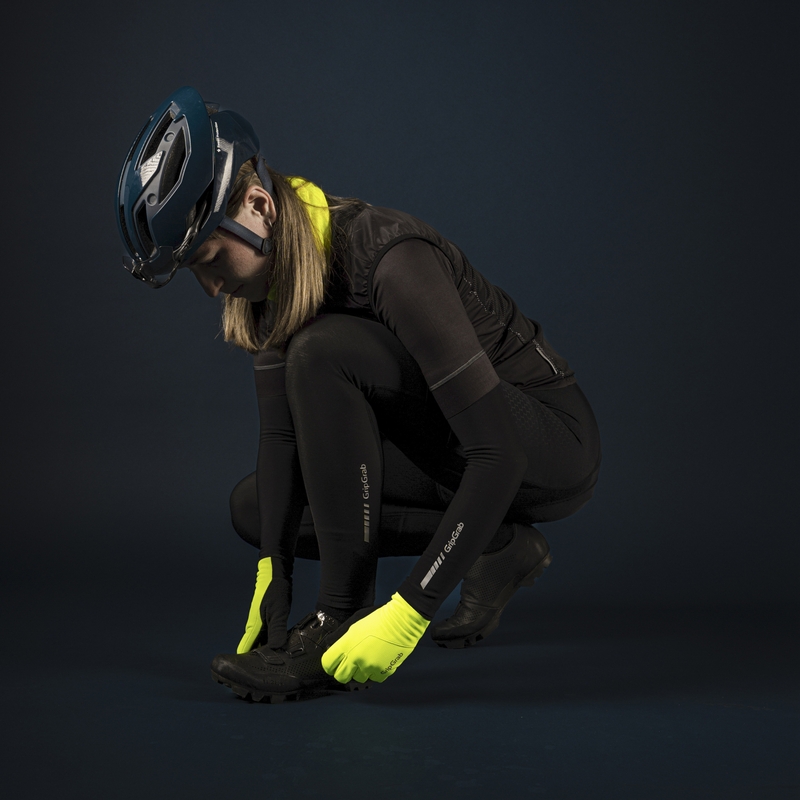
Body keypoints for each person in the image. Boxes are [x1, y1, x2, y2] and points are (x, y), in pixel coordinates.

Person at [116, 86, 601, 703]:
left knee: (323, 349)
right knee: (256, 508)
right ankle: (501, 547)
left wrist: (412, 609)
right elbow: (282, 440)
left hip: (546, 444)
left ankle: (338, 619)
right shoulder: (279, 275)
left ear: (258, 206)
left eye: (210, 259)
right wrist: (274, 576)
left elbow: (500, 454)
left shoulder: (391, 259)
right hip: (447, 449)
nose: (210, 289)